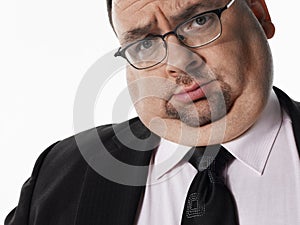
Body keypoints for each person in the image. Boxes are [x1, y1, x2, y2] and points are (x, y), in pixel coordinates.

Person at [5, 0, 300, 224]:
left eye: (198, 21)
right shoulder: (61, 171)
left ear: (259, 13)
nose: (179, 63)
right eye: (145, 43)